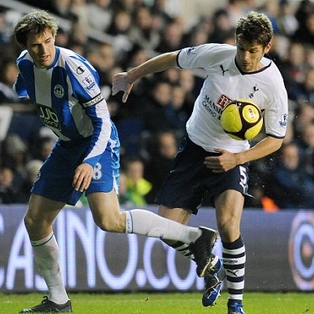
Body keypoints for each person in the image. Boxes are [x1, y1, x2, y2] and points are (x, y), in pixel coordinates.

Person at [13, 10, 217, 313]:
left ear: (55, 36)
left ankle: (196, 237)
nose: (44, 50)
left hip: (96, 143)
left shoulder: (74, 68)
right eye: (35, 45)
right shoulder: (24, 65)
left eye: (48, 41)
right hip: (67, 146)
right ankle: (58, 301)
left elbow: (104, 121)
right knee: (35, 221)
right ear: (25, 46)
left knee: (108, 220)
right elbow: (25, 88)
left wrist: (88, 161)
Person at [112, 11, 288, 314]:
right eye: (241, 47)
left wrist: (238, 159)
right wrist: (132, 75)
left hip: (232, 158)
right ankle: (207, 257)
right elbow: (173, 58)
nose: (245, 56)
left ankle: (236, 303)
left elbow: (276, 138)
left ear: (267, 48)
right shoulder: (217, 55)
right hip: (194, 151)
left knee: (229, 225)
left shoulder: (273, 84)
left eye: (252, 51)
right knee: (166, 228)